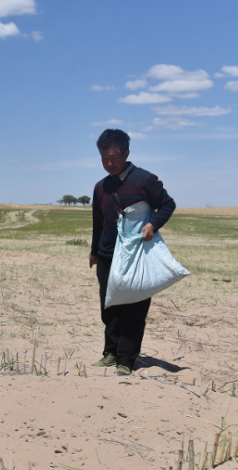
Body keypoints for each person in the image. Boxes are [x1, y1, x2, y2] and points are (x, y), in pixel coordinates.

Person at [89, 129, 176, 376]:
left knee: (134, 308)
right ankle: (110, 353)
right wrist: (94, 250)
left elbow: (168, 204)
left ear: (126, 153)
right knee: (109, 308)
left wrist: (153, 224)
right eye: (104, 159)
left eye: (114, 158)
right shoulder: (100, 187)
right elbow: (98, 220)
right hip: (107, 255)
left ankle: (126, 360)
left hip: (136, 256)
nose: (108, 164)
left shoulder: (145, 180)